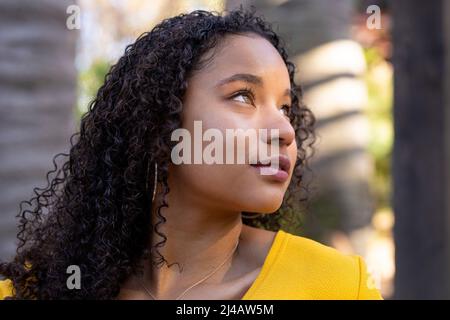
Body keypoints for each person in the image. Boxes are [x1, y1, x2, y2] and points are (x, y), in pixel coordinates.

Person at [0, 8, 382, 300]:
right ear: (159, 121)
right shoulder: (39, 289)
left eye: (286, 109)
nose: (284, 131)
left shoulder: (336, 285)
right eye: (243, 96)